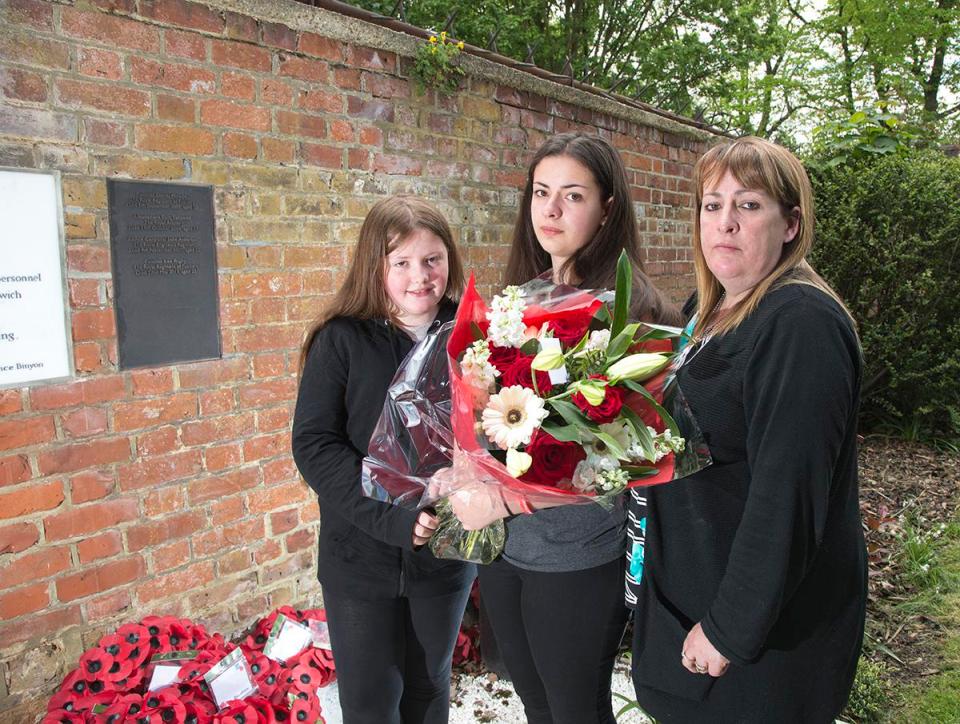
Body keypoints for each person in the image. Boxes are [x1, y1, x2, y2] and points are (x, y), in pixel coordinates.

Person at [628, 136, 867, 723]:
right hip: (691, 599)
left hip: (759, 647)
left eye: (748, 205)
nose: (725, 223)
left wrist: (730, 629)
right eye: (712, 205)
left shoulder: (799, 324)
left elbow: (787, 496)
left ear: (791, 224)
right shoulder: (705, 311)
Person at [453, 133, 681, 724]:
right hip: (507, 555)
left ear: (608, 208)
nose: (550, 211)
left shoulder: (632, 316)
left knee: (576, 710)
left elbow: (623, 460)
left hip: (578, 557)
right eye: (541, 193)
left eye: (572, 195)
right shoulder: (520, 300)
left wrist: (503, 499)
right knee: (533, 701)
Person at [292, 195, 476, 724]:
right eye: (402, 263)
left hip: (445, 555)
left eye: (432, 260)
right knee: (371, 701)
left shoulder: (474, 336)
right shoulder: (342, 340)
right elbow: (315, 444)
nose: (420, 276)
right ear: (376, 267)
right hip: (360, 558)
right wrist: (387, 514)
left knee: (429, 687)